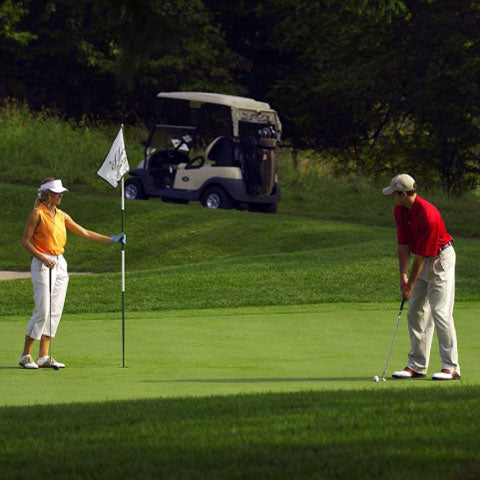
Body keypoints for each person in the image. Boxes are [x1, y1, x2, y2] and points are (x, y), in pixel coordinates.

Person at [19, 177, 125, 369]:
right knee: (42, 309)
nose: (60, 196)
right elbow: (25, 241)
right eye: (56, 193)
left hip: (60, 264)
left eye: (60, 193)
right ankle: (26, 355)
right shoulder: (37, 213)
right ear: (46, 194)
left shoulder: (61, 215)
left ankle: (43, 356)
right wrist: (42, 257)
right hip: (43, 263)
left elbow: (84, 233)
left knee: (55, 310)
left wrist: (111, 240)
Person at [382, 173, 460, 381]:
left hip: (440, 260)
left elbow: (421, 256)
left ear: (404, 193)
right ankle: (417, 365)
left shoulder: (428, 214)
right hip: (422, 260)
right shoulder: (400, 211)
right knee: (415, 311)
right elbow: (403, 245)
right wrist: (403, 276)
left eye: (394, 194)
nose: (392, 197)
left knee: (440, 312)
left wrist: (411, 285)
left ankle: (451, 367)